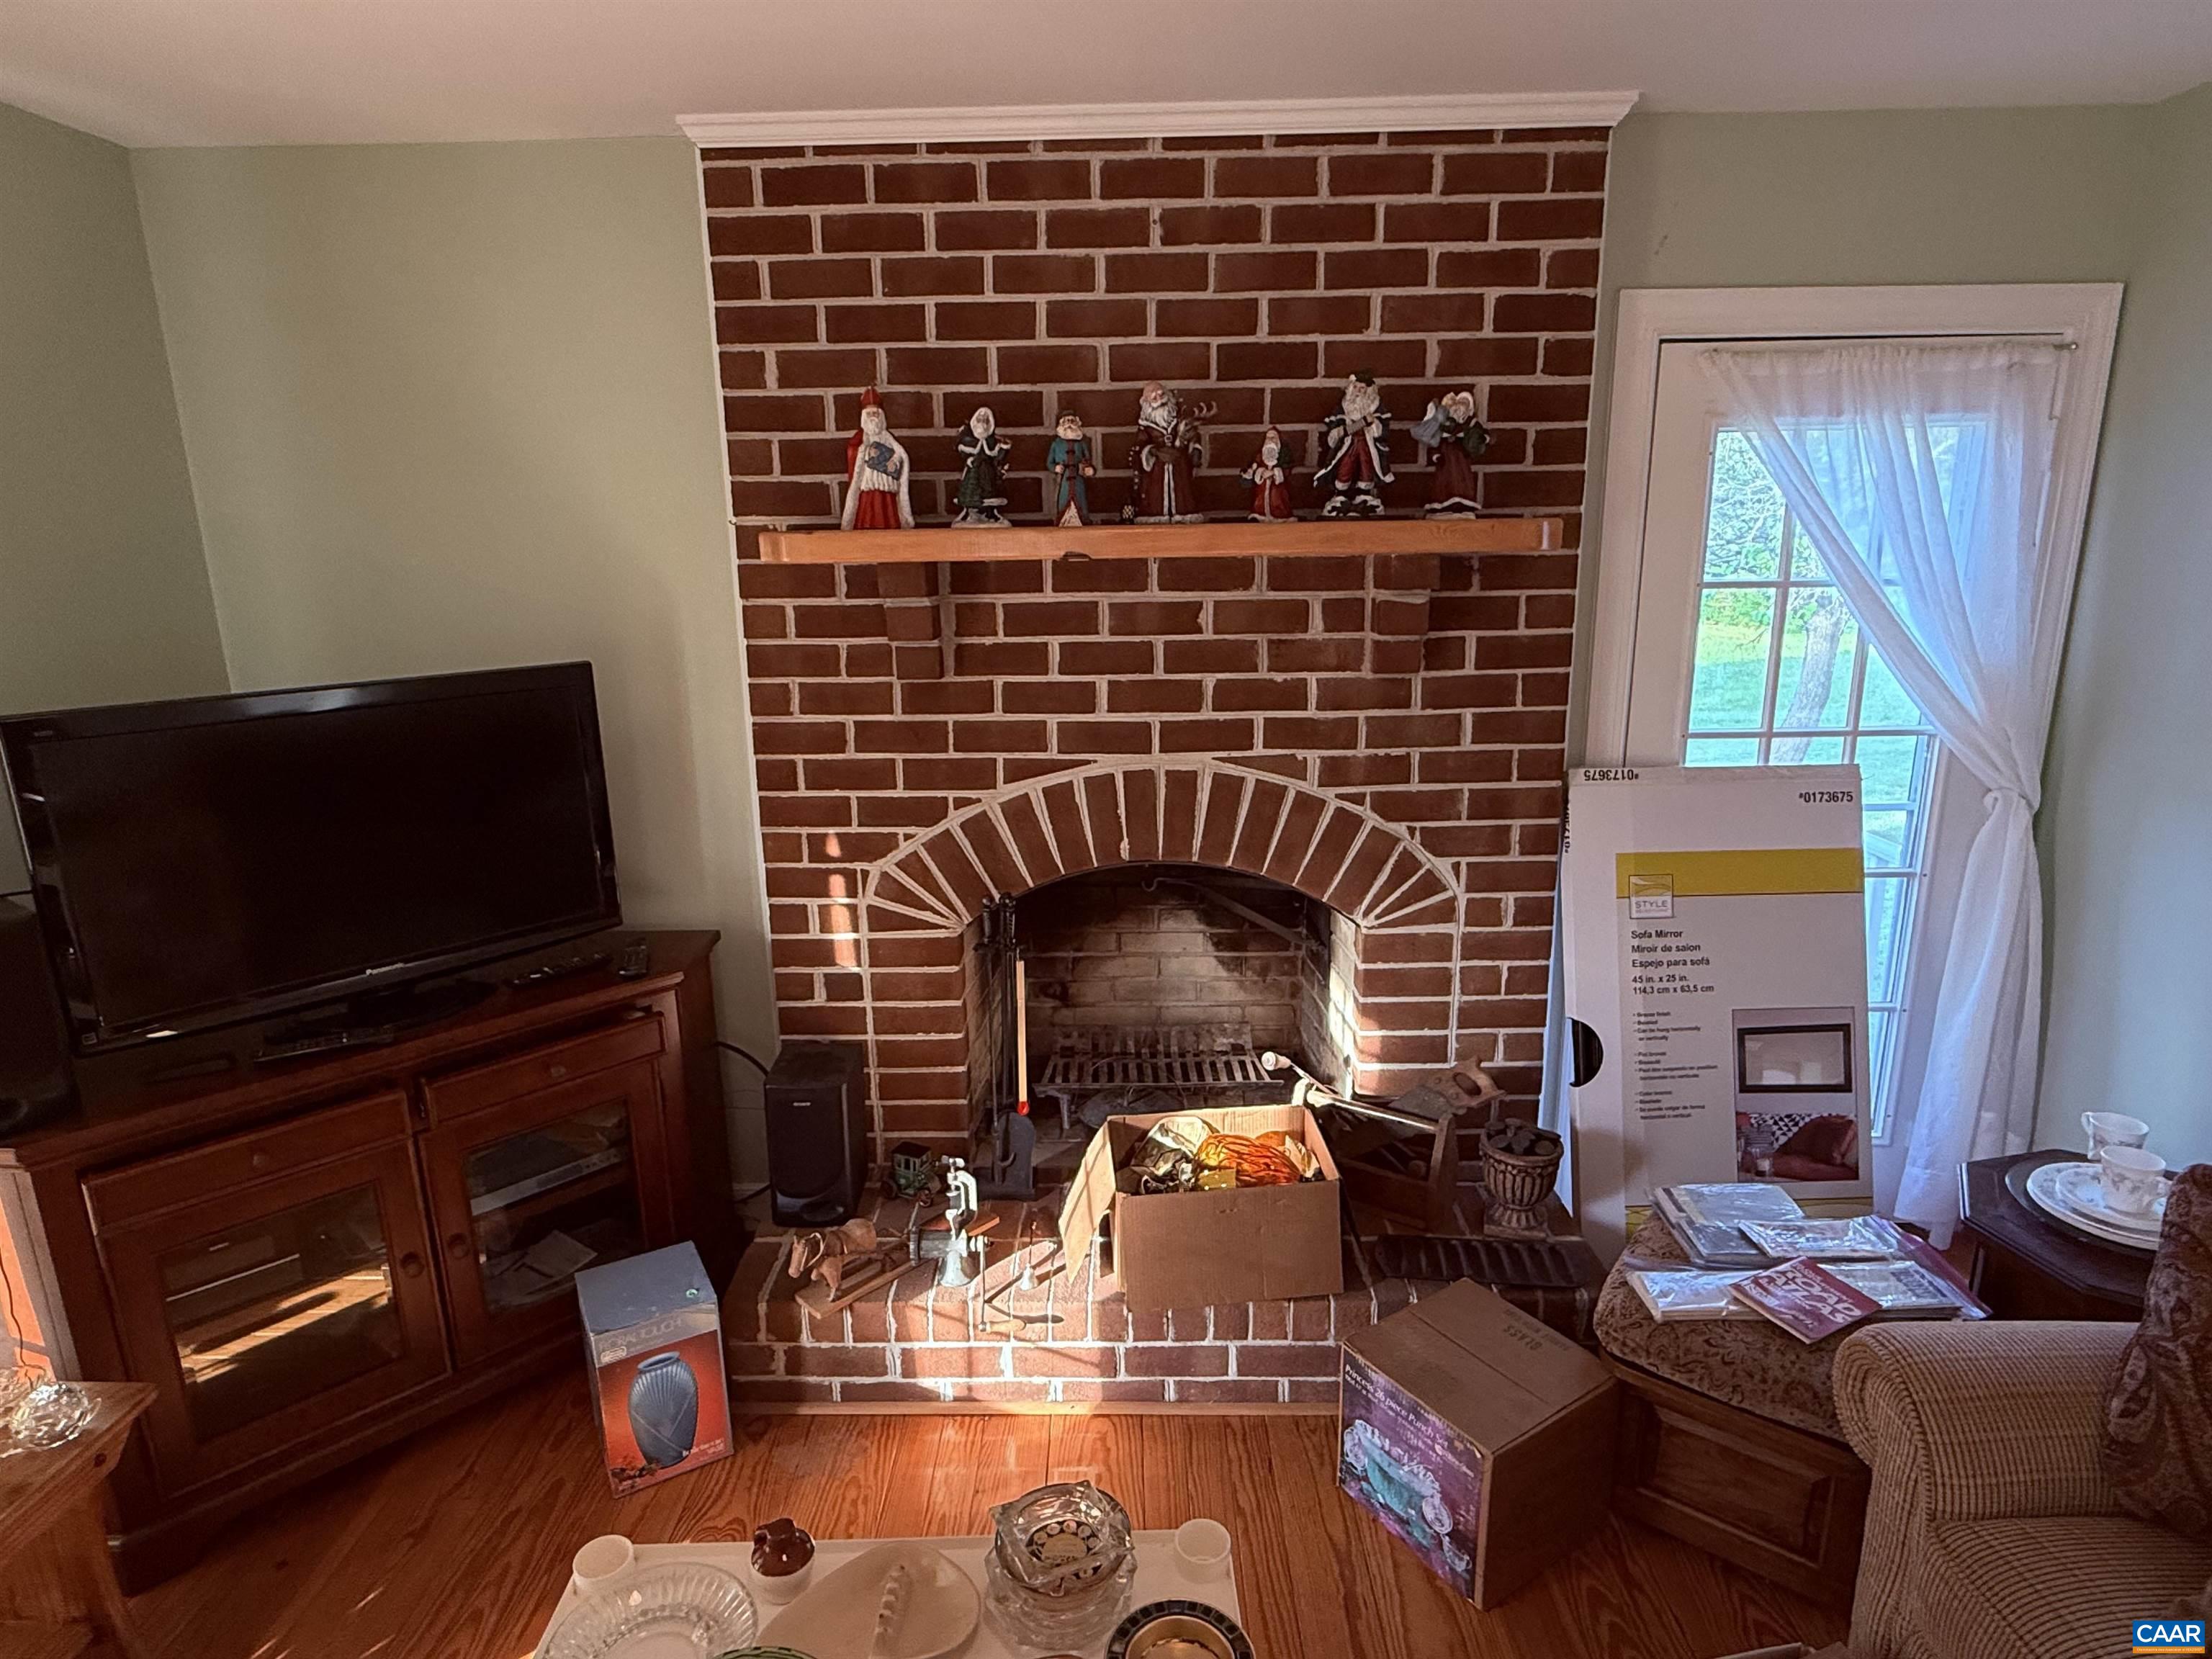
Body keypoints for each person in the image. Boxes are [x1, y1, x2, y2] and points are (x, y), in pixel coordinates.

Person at [1313, 372, 1394, 518]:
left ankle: (1364, 492)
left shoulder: (1376, 408)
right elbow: (1333, 432)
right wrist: (1339, 432)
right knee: (1346, 465)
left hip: (1367, 445)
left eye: (1362, 388)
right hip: (1347, 446)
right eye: (1355, 387)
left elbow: (1382, 432)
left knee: (1366, 465)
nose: (1358, 391)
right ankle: (1341, 493)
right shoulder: (1343, 407)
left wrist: (1373, 424)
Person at [1130, 382, 1208, 523]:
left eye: (1161, 395)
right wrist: (1154, 451)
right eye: (1154, 398)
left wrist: (1195, 450)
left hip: (1179, 465)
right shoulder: (1146, 427)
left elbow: (1192, 437)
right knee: (1155, 494)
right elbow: (1139, 448)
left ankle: (1183, 513)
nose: (1159, 400)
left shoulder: (1178, 420)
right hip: (1156, 470)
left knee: (1182, 492)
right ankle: (1157, 514)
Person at [839, 387, 914, 530]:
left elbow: (901, 454)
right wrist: (866, 452)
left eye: (876, 413)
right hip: (868, 486)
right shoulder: (860, 438)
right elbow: (853, 452)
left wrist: (895, 461)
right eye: (869, 414)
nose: (873, 417)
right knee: (868, 510)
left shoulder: (888, 437)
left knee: (888, 510)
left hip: (887, 487)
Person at [1408, 390, 1490, 517]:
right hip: (1446, 455)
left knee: (1463, 477)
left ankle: (1463, 500)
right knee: (1443, 479)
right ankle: (1443, 501)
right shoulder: (1446, 423)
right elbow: (1436, 441)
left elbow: (1483, 436)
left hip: (1461, 456)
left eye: (1464, 403)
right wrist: (1435, 455)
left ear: (1469, 408)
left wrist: (1483, 439)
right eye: (1458, 402)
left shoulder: (1471, 424)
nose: (1460, 406)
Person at [952, 405, 1012, 527]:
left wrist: (1004, 449)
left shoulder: (992, 441)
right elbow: (963, 450)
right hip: (973, 469)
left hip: (987, 471)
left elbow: (997, 457)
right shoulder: (967, 440)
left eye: (985, 421)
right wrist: (969, 459)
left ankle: (989, 513)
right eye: (979, 420)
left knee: (989, 488)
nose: (982, 423)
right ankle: (971, 511)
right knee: (972, 488)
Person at [1045, 410, 1095, 526]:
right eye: (1067, 421)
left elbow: (1087, 459)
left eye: (1072, 421)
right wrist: (1055, 468)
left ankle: (1081, 520)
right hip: (1064, 479)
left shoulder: (1081, 444)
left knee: (1080, 500)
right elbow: (1049, 463)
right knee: (1063, 501)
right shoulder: (1056, 444)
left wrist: (1089, 469)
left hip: (1078, 477)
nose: (1070, 424)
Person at [1241, 426, 1294, 521]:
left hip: (1277, 491)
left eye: (1273, 438)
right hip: (1262, 489)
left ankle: (1279, 514)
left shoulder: (1283, 458)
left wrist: (1273, 473)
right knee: (1260, 501)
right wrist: (1259, 472)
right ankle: (1260, 513)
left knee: (1278, 500)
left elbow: (1286, 471)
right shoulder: (1260, 457)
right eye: (1268, 438)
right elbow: (1254, 468)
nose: (1270, 440)